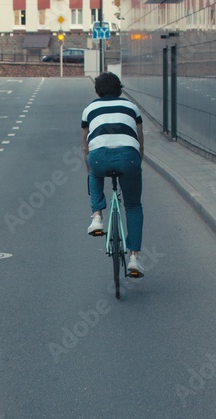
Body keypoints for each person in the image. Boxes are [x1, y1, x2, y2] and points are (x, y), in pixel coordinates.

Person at [81, 72, 145, 277]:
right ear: (119, 88)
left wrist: (89, 168)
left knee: (95, 171)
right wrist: (137, 161)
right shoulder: (132, 107)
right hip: (129, 157)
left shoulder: (89, 109)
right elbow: (139, 137)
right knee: (133, 205)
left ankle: (97, 217)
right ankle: (134, 258)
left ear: (97, 90)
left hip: (100, 157)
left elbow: (85, 145)